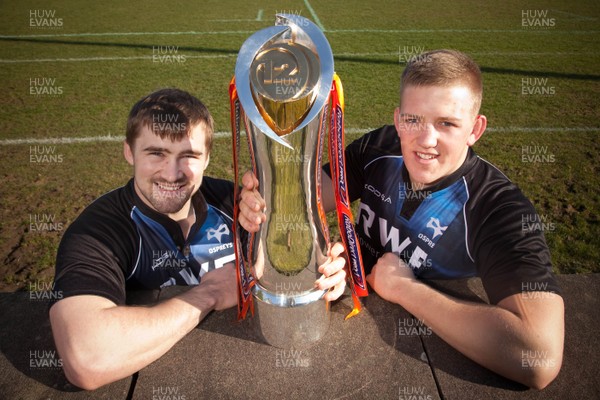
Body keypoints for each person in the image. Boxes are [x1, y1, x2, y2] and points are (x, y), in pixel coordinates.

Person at [239, 50, 564, 390]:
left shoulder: (498, 208)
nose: (426, 140)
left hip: (414, 355)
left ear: (475, 128)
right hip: (344, 311)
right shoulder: (379, 148)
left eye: (447, 123)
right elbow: (306, 198)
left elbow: (538, 356)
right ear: (397, 119)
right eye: (413, 120)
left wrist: (406, 289)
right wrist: (264, 198)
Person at [49, 88, 346, 390]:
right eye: (156, 154)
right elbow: (86, 359)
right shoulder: (100, 230)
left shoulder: (239, 203)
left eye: (188, 155)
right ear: (129, 152)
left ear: (206, 159)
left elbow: (289, 267)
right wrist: (210, 294)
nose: (172, 173)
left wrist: (322, 273)